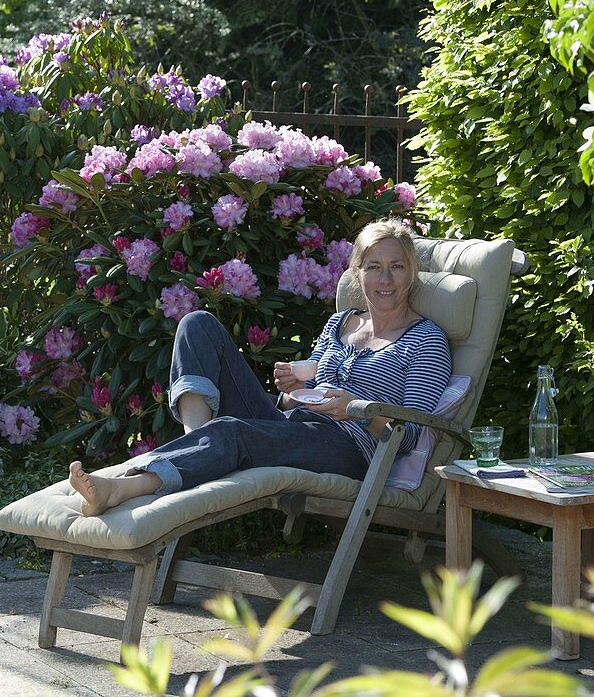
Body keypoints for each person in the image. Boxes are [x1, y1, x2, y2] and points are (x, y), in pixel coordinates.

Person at [68, 218, 452, 516]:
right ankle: (199, 448)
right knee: (196, 325)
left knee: (233, 432)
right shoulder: (341, 322)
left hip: (349, 447)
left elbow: (409, 432)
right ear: (356, 273)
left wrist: (354, 407)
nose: (385, 279)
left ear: (412, 274)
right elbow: (311, 383)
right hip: (293, 425)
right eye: (374, 267)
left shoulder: (427, 340)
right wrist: (290, 391)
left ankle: (120, 488)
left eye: (397, 267)